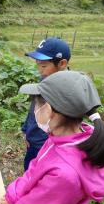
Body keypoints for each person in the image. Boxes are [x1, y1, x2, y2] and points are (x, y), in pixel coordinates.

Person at [0, 70, 104, 204]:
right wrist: (12, 196)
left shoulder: (64, 176)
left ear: (48, 110)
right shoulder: (63, 137)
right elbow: (35, 169)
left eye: (36, 105)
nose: (34, 110)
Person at [22, 37, 71, 170]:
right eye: (38, 64)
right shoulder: (45, 79)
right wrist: (26, 130)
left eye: (43, 65)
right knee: (28, 171)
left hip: (48, 147)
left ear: (62, 64)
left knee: (41, 177)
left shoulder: (68, 91)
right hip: (33, 142)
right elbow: (34, 109)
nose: (40, 69)